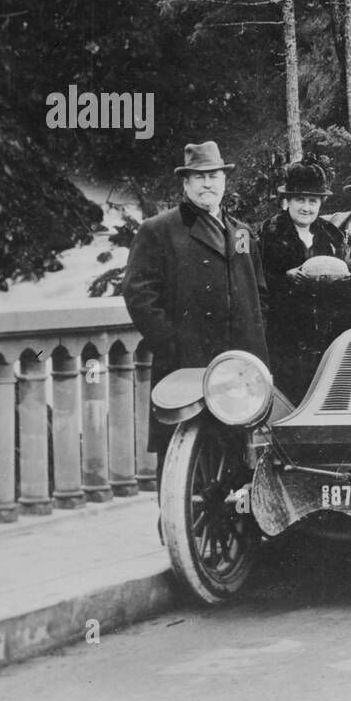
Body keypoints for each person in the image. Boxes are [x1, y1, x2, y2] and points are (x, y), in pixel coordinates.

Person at [123, 141, 269, 477]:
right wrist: (172, 342)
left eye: (214, 175)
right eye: (199, 177)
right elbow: (139, 293)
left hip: (240, 369)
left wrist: (257, 340)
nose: (208, 184)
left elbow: (257, 291)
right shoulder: (159, 230)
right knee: (182, 464)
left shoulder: (242, 232)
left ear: (224, 181)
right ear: (185, 183)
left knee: (236, 459)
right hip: (186, 365)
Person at [258, 162, 351, 400]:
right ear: (287, 201)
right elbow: (258, 282)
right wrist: (284, 279)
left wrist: (341, 279)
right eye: (300, 200)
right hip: (285, 340)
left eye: (313, 201)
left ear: (321, 203)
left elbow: (349, 281)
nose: (306, 207)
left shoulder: (332, 235)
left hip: (327, 337)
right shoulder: (269, 233)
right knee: (290, 399)